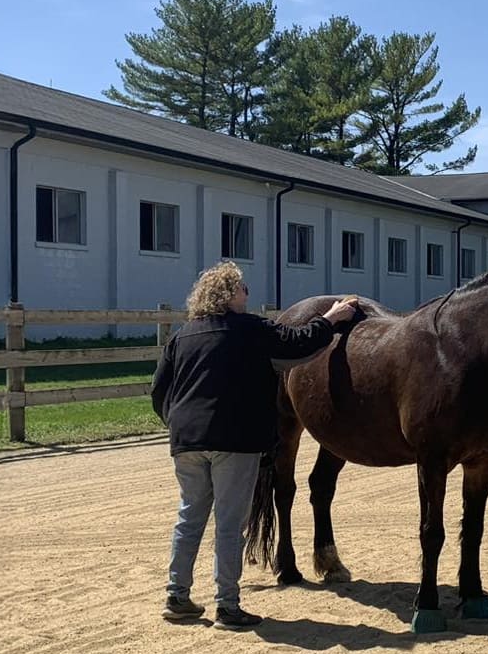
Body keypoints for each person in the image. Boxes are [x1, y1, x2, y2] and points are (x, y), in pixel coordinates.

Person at [150, 263, 360, 630]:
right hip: (234, 440)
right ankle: (227, 607)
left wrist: (180, 425)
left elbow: (158, 391)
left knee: (190, 518)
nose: (247, 293)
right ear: (229, 294)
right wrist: (332, 317)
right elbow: (300, 343)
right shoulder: (250, 330)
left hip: (186, 442)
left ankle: (177, 596)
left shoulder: (181, 336)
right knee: (230, 525)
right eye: (243, 287)